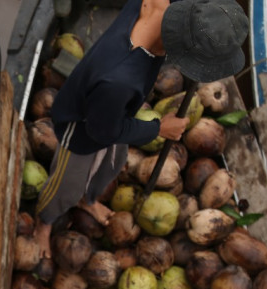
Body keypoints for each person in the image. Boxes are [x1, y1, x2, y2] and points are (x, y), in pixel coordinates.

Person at [32, 0, 248, 257]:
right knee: (66, 184)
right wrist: (158, 128)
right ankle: (43, 223)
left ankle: (87, 200)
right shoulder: (119, 81)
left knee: (112, 164)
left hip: (114, 112)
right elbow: (101, 132)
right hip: (82, 128)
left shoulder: (159, 6)